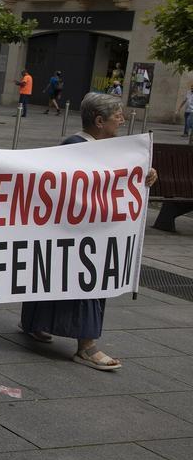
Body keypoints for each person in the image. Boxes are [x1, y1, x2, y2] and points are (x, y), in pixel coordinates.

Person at [19, 92, 158, 370]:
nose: (121, 120)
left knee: (58, 278)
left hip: (82, 228)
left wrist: (145, 174)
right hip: (78, 231)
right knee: (87, 281)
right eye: (116, 116)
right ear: (98, 121)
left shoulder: (101, 147)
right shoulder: (77, 146)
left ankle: (36, 322)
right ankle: (86, 346)